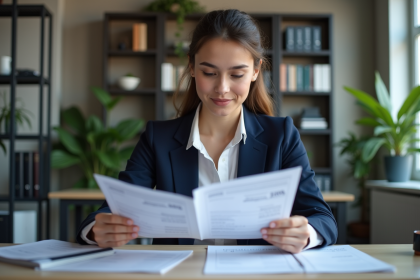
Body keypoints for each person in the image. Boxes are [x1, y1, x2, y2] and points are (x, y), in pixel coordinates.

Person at [77, 9, 337, 254]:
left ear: (256, 71)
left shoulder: (282, 136)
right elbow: (110, 210)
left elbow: (323, 218)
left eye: (237, 74)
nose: (222, 88)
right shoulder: (159, 138)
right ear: (191, 67)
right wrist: (97, 230)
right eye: (209, 72)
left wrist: (307, 233)